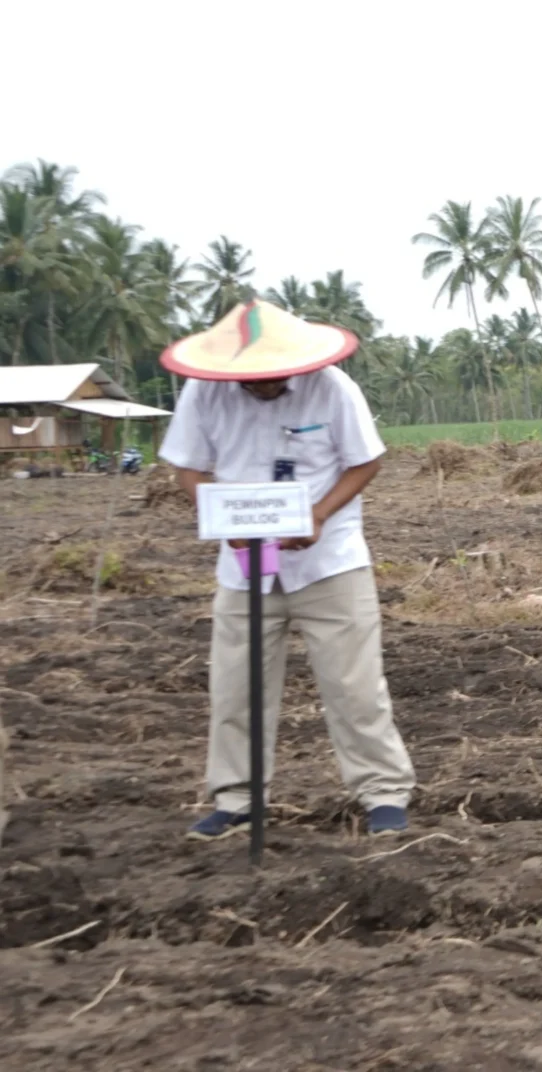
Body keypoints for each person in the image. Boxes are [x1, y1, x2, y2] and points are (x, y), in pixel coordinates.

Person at [158, 300, 415, 839]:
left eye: (275, 374)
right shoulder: (203, 393)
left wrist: (319, 515)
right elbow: (188, 466)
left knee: (355, 686)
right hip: (244, 566)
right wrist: (219, 514)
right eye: (254, 376)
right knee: (235, 686)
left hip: (329, 563)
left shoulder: (333, 389)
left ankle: (383, 794)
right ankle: (237, 798)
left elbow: (365, 460)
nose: (266, 383)